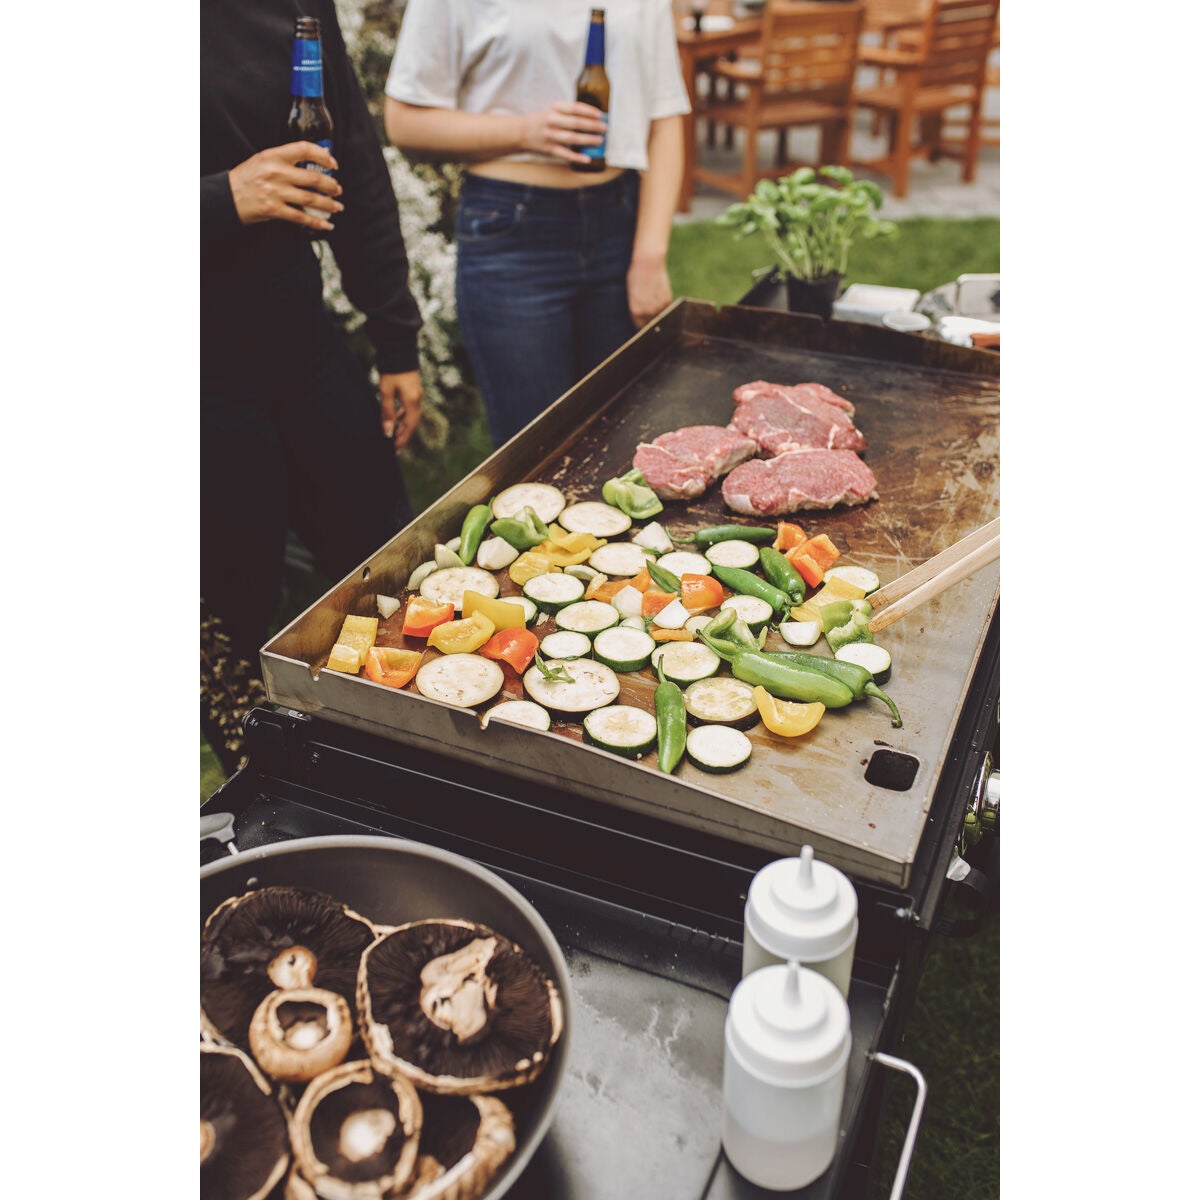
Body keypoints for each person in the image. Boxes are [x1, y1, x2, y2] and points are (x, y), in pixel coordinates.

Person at [201, 0, 425, 676]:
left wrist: (395, 336)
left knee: (392, 566)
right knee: (231, 613)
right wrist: (222, 200)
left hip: (299, 346)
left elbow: (350, 155)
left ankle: (400, 719)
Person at [383, 0, 689, 448]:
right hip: (512, 233)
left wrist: (650, 254)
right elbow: (404, 121)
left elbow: (665, 121)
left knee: (625, 441)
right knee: (537, 449)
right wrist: (526, 132)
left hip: (619, 225)